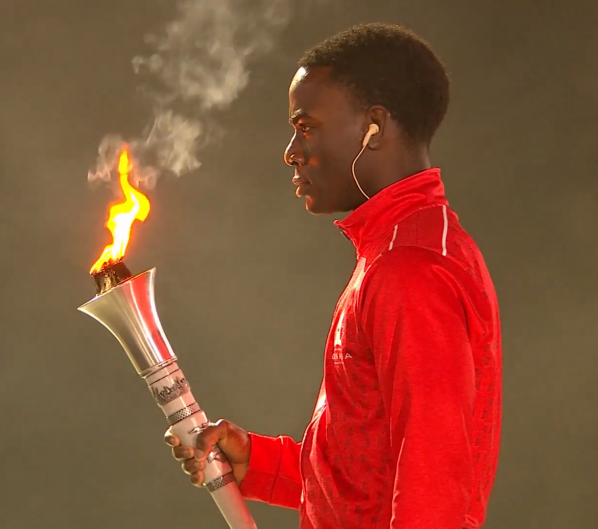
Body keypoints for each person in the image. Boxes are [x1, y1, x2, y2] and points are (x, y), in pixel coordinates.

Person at [165, 23, 502, 529]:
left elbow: (433, 498)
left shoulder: (409, 270)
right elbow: (365, 479)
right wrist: (258, 462)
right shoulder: (399, 253)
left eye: (306, 126)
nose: (291, 151)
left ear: (375, 127)